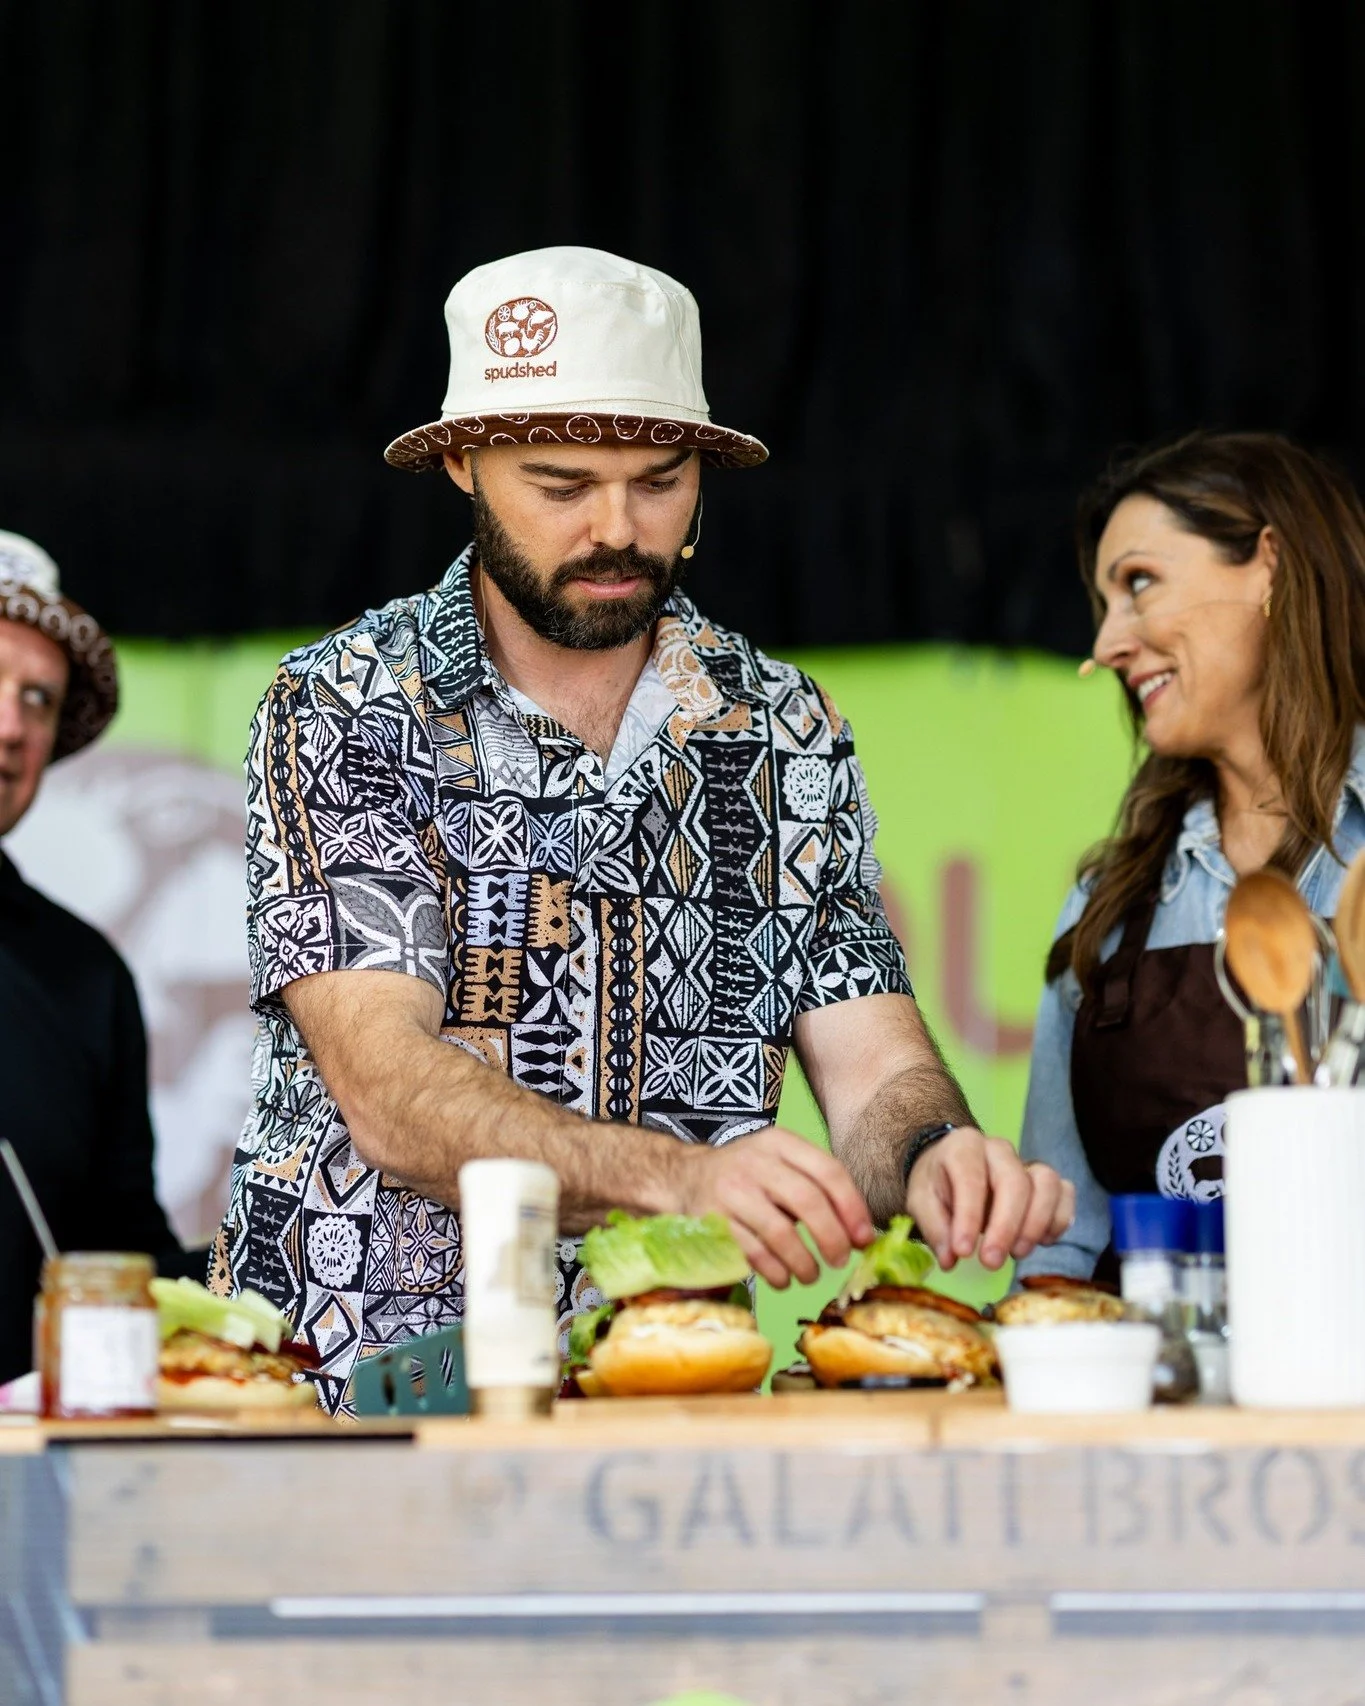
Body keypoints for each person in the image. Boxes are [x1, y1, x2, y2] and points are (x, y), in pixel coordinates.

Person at [213, 246, 1070, 1409]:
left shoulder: (782, 721)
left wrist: (937, 1156)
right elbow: (389, 1090)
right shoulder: (347, 701)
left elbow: (875, 1068)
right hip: (373, 1402)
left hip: (670, 1402)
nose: (617, 528)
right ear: (463, 461)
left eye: (659, 482)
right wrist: (680, 1178)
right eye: (563, 485)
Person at [1019, 430, 1365, 1281]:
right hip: (1151, 1403)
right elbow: (1062, 1241)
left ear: (1271, 567)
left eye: (1138, 584)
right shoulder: (1108, 902)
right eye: (1104, 606)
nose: (1103, 648)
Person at [0, 532, 191, 1384]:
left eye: (38, 699)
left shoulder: (83, 976)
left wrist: (264, 1285)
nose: (11, 725)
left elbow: (121, 1250)